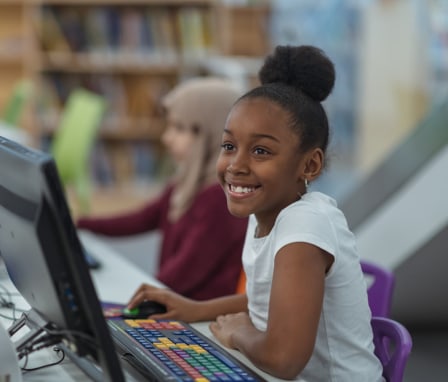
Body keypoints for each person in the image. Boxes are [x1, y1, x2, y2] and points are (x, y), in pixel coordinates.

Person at [125, 45, 385, 381]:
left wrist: (239, 334)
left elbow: (283, 358)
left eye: (261, 151)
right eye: (229, 146)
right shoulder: (266, 211)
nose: (236, 165)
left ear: (310, 165)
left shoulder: (305, 224)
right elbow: (263, 301)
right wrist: (193, 309)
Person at [77, 77, 248, 301]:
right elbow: (142, 219)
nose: (166, 138)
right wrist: (80, 223)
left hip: (198, 318)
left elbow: (184, 272)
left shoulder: (220, 199)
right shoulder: (186, 182)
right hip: (173, 299)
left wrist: (136, 298)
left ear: (213, 134)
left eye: (179, 128)